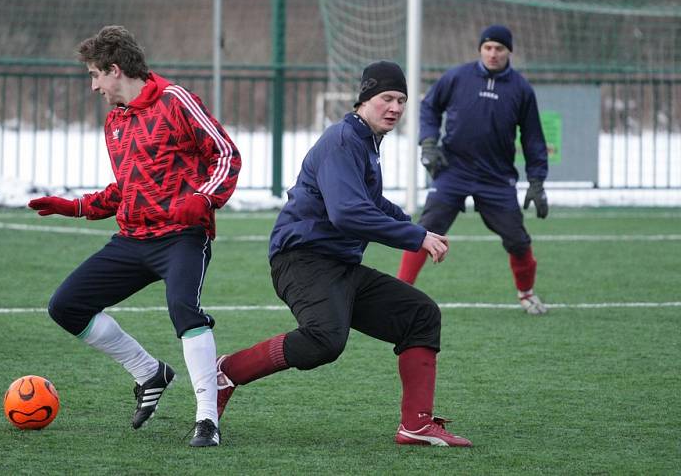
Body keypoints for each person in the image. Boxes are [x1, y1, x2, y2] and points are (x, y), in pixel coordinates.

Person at [215, 61, 472, 447]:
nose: (396, 107)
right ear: (365, 99)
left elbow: (370, 201)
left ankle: (416, 425)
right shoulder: (342, 140)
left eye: (401, 100)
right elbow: (348, 212)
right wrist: (414, 238)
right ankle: (226, 372)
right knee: (325, 340)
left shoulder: (364, 143)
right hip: (301, 259)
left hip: (340, 265)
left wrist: (416, 228)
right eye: (387, 97)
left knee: (420, 315)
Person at [27, 26, 240, 447]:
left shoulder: (175, 101)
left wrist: (204, 199)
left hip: (182, 236)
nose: (94, 86)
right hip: (132, 239)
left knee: (184, 310)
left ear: (115, 69)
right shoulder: (115, 122)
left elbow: (226, 153)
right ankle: (149, 373)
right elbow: (127, 188)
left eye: (95, 75)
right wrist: (76, 207)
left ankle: (207, 420)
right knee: (66, 306)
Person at [397, 25, 549, 314]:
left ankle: (527, 294)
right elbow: (429, 108)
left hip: (496, 177)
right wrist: (429, 142)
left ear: (509, 52)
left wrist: (537, 181)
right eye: (488, 47)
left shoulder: (521, 89)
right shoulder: (457, 77)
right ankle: (398, 293)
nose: (493, 54)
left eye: (499, 49)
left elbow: (533, 139)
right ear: (480, 49)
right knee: (424, 230)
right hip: (453, 170)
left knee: (518, 240)